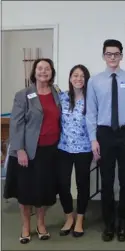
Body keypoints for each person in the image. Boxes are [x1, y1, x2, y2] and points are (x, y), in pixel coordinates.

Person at [86, 39, 125, 242]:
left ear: (121, 55)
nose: (113, 57)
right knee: (107, 182)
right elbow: (91, 113)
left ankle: (124, 223)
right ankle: (109, 224)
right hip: (104, 135)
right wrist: (93, 139)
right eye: (109, 54)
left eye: (116, 54)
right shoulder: (94, 81)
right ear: (103, 56)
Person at [3, 58, 61, 244]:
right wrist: (19, 149)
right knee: (25, 192)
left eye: (47, 69)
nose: (43, 71)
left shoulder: (56, 92)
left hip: (50, 151)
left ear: (52, 72)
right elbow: (16, 124)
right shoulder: (23, 94)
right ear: (34, 72)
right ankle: (26, 226)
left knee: (44, 191)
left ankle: (41, 224)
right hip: (28, 152)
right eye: (40, 68)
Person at [57, 64, 92, 238]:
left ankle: (80, 219)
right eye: (75, 75)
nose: (78, 79)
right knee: (63, 184)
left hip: (84, 149)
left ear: (86, 79)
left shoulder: (91, 100)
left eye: (82, 76)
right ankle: (68, 217)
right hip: (63, 148)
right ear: (70, 78)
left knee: (82, 184)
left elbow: (95, 125)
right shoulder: (62, 97)